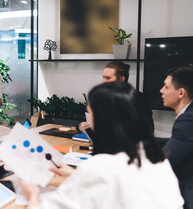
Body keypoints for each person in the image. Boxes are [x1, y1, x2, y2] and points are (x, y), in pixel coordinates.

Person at [20, 82, 184, 209]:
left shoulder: (101, 166)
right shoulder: (157, 160)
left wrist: (32, 194)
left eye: (91, 116)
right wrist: (75, 175)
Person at [159, 66, 193, 209]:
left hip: (190, 199)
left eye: (166, 86)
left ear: (181, 92)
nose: (161, 91)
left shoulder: (190, 119)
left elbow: (165, 161)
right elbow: (176, 142)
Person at [79, 61, 154, 131]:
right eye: (103, 77)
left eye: (108, 78)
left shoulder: (139, 99)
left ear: (121, 79)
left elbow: (148, 129)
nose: (104, 81)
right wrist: (81, 126)